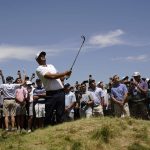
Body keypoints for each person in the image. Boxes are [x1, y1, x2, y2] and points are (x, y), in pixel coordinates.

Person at [35, 51, 72, 125]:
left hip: (60, 92)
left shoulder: (51, 65)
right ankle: (47, 131)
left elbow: (59, 76)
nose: (43, 56)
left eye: (43, 55)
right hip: (51, 94)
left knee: (60, 113)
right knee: (49, 114)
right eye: (41, 55)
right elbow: (51, 76)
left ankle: (60, 131)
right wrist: (65, 72)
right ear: (37, 59)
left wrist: (66, 75)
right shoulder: (39, 69)